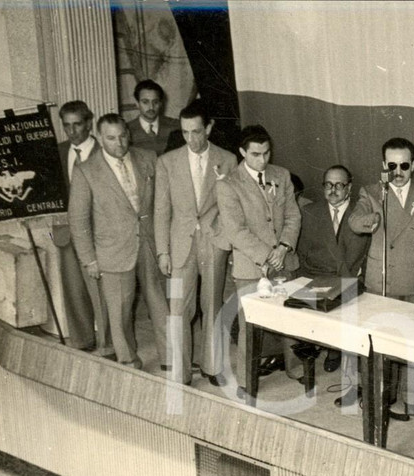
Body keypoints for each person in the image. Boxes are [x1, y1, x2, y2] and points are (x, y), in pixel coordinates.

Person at [348, 137, 414, 418]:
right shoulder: (372, 192)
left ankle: (412, 402)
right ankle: (379, 396)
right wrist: (367, 221)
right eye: (392, 165)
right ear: (384, 165)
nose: (398, 171)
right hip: (381, 278)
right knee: (379, 342)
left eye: (404, 165)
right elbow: (355, 221)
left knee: (413, 342)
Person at [69, 113, 169, 370]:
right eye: (111, 138)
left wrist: (164, 246)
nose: (119, 142)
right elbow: (78, 220)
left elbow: (162, 204)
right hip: (111, 252)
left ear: (129, 132)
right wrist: (89, 258)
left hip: (150, 245)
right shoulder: (86, 171)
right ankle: (128, 360)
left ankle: (171, 358)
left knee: (161, 305)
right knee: (120, 312)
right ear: (100, 138)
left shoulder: (148, 158)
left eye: (123, 135)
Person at [154, 100, 239, 387]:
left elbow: (232, 207)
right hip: (180, 247)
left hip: (214, 243)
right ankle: (180, 372)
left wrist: (227, 243)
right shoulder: (167, 162)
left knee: (213, 305)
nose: (191, 139)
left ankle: (212, 366)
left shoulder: (227, 160)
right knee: (178, 309)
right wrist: (162, 251)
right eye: (185, 132)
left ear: (209, 128)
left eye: (196, 132)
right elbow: (161, 210)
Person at [216, 124, 302, 394]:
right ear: (242, 152)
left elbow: (293, 216)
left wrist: (284, 248)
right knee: (248, 326)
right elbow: (235, 230)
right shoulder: (228, 185)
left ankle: (295, 367)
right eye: (255, 154)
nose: (262, 160)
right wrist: (267, 255)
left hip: (284, 260)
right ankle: (246, 380)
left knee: (290, 318)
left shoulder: (282, 175)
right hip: (250, 267)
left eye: (266, 153)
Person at [294, 165, 369, 393]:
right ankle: (322, 350)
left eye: (339, 185)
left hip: (353, 281)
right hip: (318, 278)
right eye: (328, 185)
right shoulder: (310, 212)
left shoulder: (362, 213)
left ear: (349, 187)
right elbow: (303, 253)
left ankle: (337, 351)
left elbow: (369, 253)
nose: (333, 190)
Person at [54, 100, 113, 355]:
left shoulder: (105, 152)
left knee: (105, 291)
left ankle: (109, 343)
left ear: (89, 123)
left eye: (77, 124)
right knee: (74, 289)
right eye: (67, 126)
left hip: (100, 233)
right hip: (68, 233)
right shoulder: (57, 151)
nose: (72, 131)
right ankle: (82, 340)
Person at [127, 79, 181, 156]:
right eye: (145, 102)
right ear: (137, 103)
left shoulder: (175, 126)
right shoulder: (127, 130)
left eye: (155, 102)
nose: (151, 107)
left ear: (161, 103)